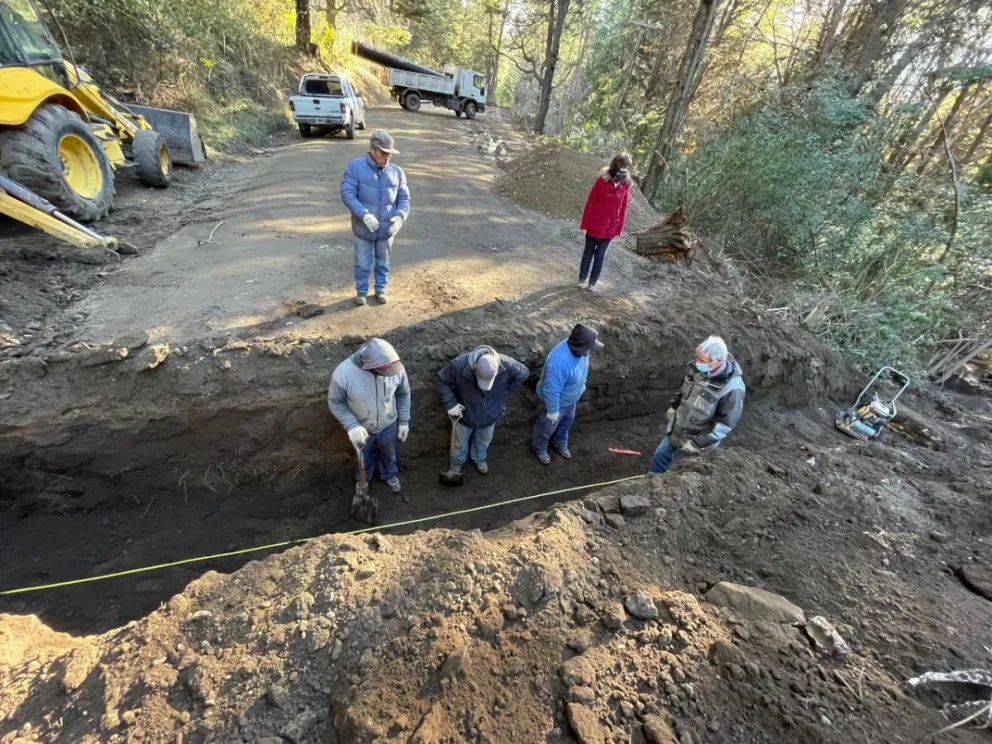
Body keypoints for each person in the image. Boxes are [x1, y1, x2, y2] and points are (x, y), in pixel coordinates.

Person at [649, 335, 745, 474]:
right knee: (660, 458)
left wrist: (696, 444)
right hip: (677, 430)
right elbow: (684, 390)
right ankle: (649, 486)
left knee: (676, 471)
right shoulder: (698, 370)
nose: (697, 362)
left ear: (718, 361)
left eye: (702, 360)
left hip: (697, 442)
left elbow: (723, 425)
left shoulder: (733, 389)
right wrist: (674, 406)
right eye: (698, 358)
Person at [328, 338, 411, 496]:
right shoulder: (344, 373)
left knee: (389, 452)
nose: (389, 373)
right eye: (384, 370)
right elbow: (335, 402)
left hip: (388, 424)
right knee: (363, 457)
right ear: (371, 367)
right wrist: (352, 425)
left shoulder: (396, 368)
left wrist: (404, 421)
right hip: (361, 428)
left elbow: (403, 394)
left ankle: (389, 474)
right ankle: (363, 479)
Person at [341, 131, 411, 306]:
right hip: (363, 229)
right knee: (363, 263)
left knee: (383, 262)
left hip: (386, 229)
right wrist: (364, 214)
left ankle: (381, 289)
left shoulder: (397, 173)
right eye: (383, 152)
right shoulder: (355, 167)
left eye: (389, 153)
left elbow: (404, 199)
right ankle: (362, 292)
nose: (387, 157)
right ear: (372, 149)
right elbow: (348, 194)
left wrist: (400, 217)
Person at [437, 346, 530, 477]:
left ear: (497, 369)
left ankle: (479, 459)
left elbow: (524, 372)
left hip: (490, 416)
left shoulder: (508, 365)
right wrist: (451, 403)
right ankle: (456, 465)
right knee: (459, 444)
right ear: (474, 369)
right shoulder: (459, 366)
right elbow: (442, 380)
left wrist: (504, 390)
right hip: (464, 416)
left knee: (483, 441)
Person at [532, 323, 604, 464]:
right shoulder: (559, 363)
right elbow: (551, 390)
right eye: (589, 348)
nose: (590, 351)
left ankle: (560, 442)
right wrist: (552, 412)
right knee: (546, 427)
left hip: (570, 400)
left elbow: (582, 369)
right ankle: (539, 448)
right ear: (581, 347)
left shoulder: (582, 350)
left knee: (566, 422)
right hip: (554, 403)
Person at [577, 153, 632, 291]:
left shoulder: (625, 186)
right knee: (588, 252)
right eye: (621, 168)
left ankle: (592, 283)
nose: (622, 172)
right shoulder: (601, 181)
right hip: (594, 224)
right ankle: (582, 279)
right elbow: (591, 202)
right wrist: (585, 224)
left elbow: (624, 208)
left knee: (600, 255)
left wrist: (619, 228)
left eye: (626, 169)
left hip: (610, 227)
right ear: (615, 166)